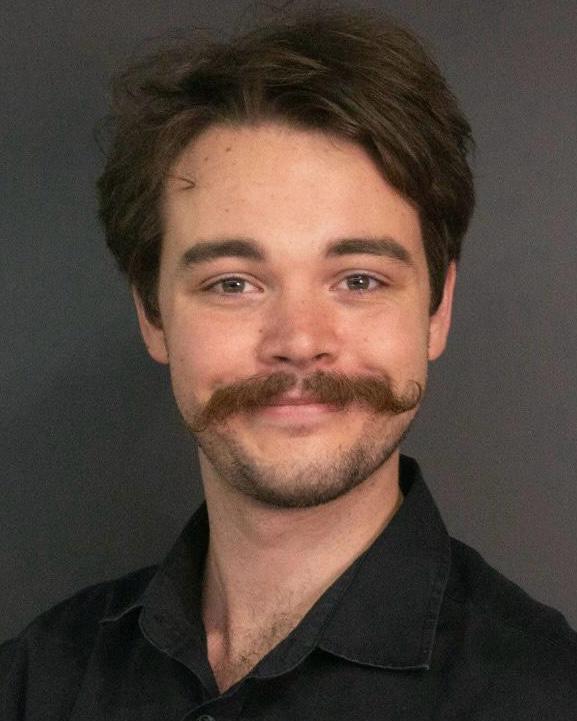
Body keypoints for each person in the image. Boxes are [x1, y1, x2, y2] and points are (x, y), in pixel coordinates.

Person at [2, 7, 576, 719]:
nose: (300, 340)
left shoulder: (547, 696)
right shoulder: (35, 682)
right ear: (152, 314)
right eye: (233, 284)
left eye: (358, 279)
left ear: (437, 309)